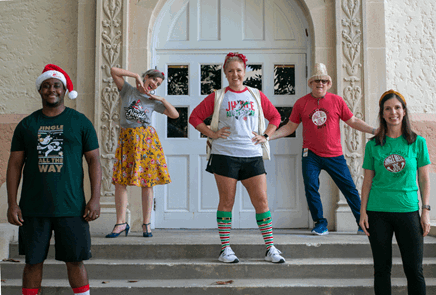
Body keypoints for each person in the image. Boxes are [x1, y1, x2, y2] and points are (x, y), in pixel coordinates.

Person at [6, 64, 101, 295]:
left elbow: (95, 162)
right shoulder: (27, 125)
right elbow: (15, 165)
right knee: (32, 262)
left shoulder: (80, 122)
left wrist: (95, 199)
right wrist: (12, 203)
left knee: (75, 261)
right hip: (34, 207)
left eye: (57, 85)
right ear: (40, 90)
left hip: (72, 207)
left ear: (65, 89)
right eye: (46, 86)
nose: (52, 90)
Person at [189, 52, 285, 263]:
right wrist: (212, 134)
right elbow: (194, 117)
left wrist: (266, 135)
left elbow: (275, 116)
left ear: (245, 72)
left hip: (252, 155)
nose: (235, 74)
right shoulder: (218, 96)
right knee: (227, 201)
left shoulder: (255, 95)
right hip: (225, 155)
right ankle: (226, 249)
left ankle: (270, 248)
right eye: (230, 71)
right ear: (225, 72)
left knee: (261, 201)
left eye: (239, 70)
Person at [270, 63, 377, 235]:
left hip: (334, 155)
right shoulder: (301, 103)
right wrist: (268, 137)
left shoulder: (337, 101)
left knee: (349, 188)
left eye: (323, 81)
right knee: (311, 187)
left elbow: (353, 121)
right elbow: (290, 127)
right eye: (316, 80)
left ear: (328, 84)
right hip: (310, 154)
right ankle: (320, 223)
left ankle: (362, 223)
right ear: (311, 83)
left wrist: (374, 131)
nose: (320, 83)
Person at [359, 90, 430, 295]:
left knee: (414, 270)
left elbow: (424, 179)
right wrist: (363, 212)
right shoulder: (373, 145)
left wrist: (425, 210)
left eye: (397, 108)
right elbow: (367, 182)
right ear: (382, 114)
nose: (393, 113)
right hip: (378, 212)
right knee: (381, 270)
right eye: (387, 109)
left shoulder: (418, 143)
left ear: (404, 111)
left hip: (408, 211)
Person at [106, 67, 179, 238]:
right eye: (153, 80)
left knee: (148, 181)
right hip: (127, 139)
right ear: (147, 77)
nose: (154, 85)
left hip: (146, 141)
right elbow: (113, 70)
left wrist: (160, 98)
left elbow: (174, 115)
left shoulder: (152, 100)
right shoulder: (127, 90)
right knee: (120, 181)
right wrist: (135, 76)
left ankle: (146, 224)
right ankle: (121, 223)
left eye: (158, 84)